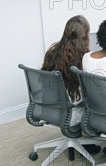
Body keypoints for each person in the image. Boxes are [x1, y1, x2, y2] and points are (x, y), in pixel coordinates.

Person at [41, 15, 100, 153]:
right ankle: (88, 140)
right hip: (72, 111)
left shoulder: (52, 52)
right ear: (85, 36)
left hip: (51, 108)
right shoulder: (85, 57)